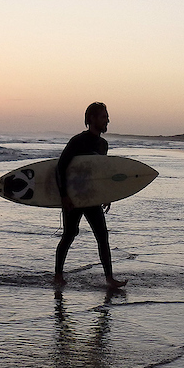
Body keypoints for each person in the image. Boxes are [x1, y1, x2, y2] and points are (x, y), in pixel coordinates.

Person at [53, 102, 125, 290]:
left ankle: (109, 278)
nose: (107, 119)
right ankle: (58, 275)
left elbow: (99, 174)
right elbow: (60, 168)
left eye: (107, 116)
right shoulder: (78, 141)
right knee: (69, 235)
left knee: (102, 236)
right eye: (103, 116)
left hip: (92, 198)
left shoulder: (103, 144)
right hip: (75, 197)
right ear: (92, 119)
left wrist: (106, 195)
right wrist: (64, 196)